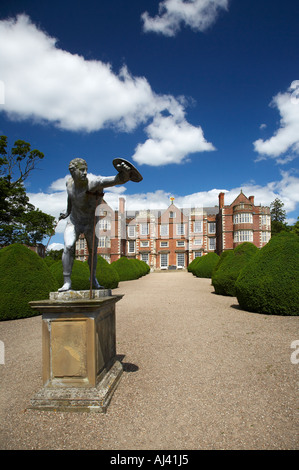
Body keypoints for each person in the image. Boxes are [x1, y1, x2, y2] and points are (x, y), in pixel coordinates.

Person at [58, 158, 130, 291]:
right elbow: (71, 197)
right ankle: (66, 282)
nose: (85, 173)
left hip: (90, 223)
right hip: (74, 221)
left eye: (86, 169)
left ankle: (93, 279)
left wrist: (125, 173)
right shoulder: (68, 183)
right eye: (82, 170)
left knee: (92, 252)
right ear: (72, 171)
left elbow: (117, 180)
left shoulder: (93, 182)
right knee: (68, 247)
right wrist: (67, 211)